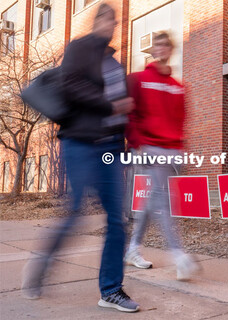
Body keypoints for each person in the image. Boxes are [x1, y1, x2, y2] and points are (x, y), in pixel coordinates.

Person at [21, 4, 140, 313]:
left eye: (114, 20)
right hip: (80, 143)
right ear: (95, 21)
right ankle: (42, 266)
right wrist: (110, 107)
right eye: (105, 19)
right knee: (74, 212)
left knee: (118, 219)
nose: (111, 24)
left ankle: (111, 290)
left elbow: (123, 106)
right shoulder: (79, 48)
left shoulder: (115, 64)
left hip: (112, 148)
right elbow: (71, 85)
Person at [125, 31, 199, 280]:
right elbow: (130, 114)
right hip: (149, 147)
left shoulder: (179, 87)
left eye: (166, 44)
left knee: (154, 198)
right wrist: (138, 143)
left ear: (171, 49)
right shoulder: (139, 79)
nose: (161, 48)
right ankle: (179, 256)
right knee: (166, 199)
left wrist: (179, 148)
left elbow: (181, 119)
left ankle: (133, 248)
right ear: (153, 50)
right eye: (157, 45)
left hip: (171, 149)